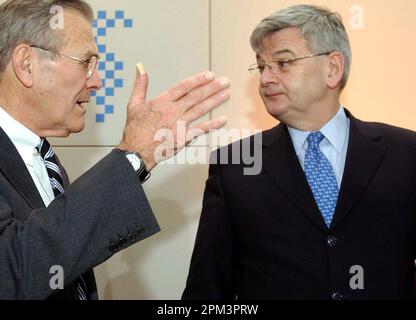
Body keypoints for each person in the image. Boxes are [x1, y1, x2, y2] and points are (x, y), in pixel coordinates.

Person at [182, 4, 416, 300]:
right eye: (261, 65)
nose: (266, 78)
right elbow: (207, 290)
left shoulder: (406, 153)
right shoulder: (236, 164)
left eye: (283, 63)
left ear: (333, 68)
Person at [0, 0, 230, 299]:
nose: (96, 82)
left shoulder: (43, 159)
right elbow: (12, 268)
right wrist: (134, 156)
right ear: (26, 63)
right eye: (87, 63)